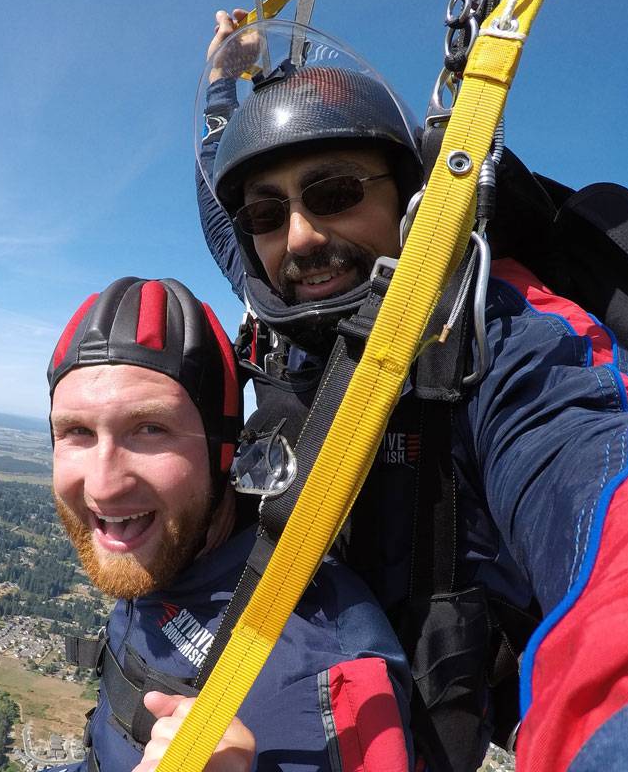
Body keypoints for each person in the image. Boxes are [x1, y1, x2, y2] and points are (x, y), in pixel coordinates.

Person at [181, 8, 628, 772]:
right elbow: (223, 216)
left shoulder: (494, 331)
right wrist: (225, 77)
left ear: (409, 199)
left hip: (428, 709)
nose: (301, 236)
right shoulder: (282, 301)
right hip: (321, 675)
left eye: (335, 190)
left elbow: (621, 485)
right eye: (269, 211)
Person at [45, 276, 413, 771]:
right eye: (76, 432)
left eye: (150, 429)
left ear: (224, 452)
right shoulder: (168, 548)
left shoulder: (330, 668)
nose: (103, 486)